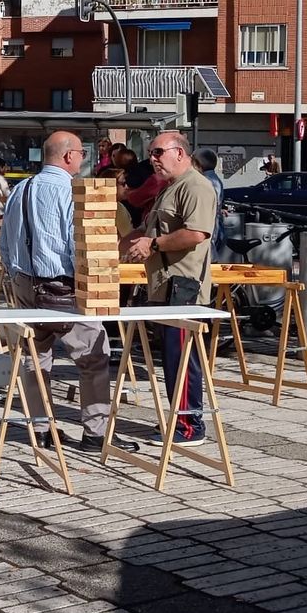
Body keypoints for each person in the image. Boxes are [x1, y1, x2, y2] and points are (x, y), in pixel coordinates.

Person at [0, 131, 139, 455]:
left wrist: (17, 275)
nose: (84, 159)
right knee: (94, 356)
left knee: (36, 358)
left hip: (25, 283)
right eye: (81, 153)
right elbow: (82, 249)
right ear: (68, 156)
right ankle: (95, 433)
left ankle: (41, 429)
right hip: (64, 287)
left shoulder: (21, 189)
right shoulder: (73, 192)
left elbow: (4, 244)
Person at [125, 131, 216, 447]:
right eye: (151, 153)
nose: (152, 159)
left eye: (158, 152)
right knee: (173, 359)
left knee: (184, 358)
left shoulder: (195, 186)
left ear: (180, 152)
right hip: (166, 286)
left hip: (184, 287)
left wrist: (153, 243)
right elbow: (151, 230)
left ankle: (191, 425)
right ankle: (179, 419)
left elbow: (196, 234)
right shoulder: (171, 188)